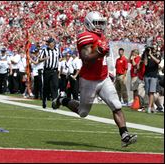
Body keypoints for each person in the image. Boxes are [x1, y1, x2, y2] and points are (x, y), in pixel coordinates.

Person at [52, 11, 137, 147]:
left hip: (103, 78)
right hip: (88, 80)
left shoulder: (102, 36)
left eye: (101, 23)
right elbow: (86, 58)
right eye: (97, 23)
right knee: (83, 112)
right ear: (89, 23)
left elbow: (104, 57)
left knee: (116, 105)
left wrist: (110, 69)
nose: (100, 26)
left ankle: (124, 135)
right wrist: (98, 51)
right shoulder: (84, 37)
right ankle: (62, 100)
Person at [39, 37, 61, 108]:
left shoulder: (57, 50)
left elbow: (60, 57)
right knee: (46, 86)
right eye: (48, 42)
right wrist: (45, 59)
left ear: (53, 43)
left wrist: (57, 63)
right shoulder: (44, 50)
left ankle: (54, 102)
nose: (48, 44)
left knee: (55, 86)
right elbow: (39, 59)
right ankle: (44, 101)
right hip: (47, 70)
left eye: (49, 42)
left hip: (54, 70)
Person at [142, 45, 162, 113]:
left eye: (153, 48)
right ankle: (152, 107)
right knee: (148, 92)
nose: (152, 49)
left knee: (151, 92)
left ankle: (149, 108)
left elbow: (158, 61)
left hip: (153, 76)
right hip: (147, 75)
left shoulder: (157, 55)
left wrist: (150, 54)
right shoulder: (146, 54)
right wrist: (145, 54)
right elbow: (145, 63)